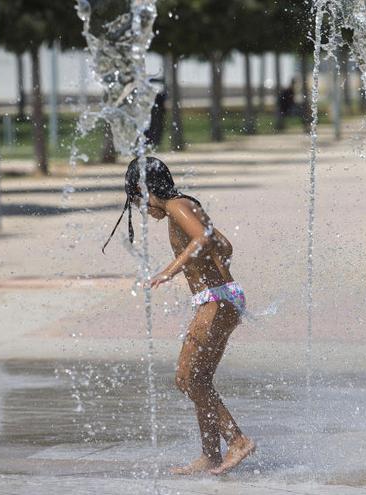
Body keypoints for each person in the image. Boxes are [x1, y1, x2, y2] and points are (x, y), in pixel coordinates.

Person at [103, 157, 256, 475]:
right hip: (223, 297)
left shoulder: (176, 206)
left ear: (143, 190)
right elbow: (223, 245)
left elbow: (204, 239)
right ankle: (211, 454)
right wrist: (210, 268)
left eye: (136, 200)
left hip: (214, 302)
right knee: (199, 380)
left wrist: (170, 270)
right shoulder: (187, 206)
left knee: (186, 379)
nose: (143, 210)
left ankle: (237, 441)